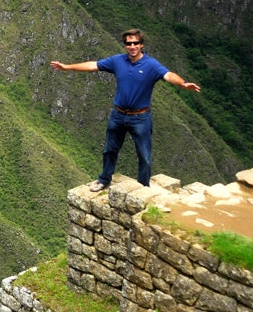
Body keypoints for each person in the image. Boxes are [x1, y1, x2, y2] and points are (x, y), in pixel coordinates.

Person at [50, 28, 201, 191]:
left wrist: (182, 83)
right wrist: (67, 67)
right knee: (109, 150)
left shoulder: (151, 65)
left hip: (140, 118)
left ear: (141, 45)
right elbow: (93, 65)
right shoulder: (117, 61)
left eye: (136, 43)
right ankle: (104, 179)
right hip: (118, 115)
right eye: (129, 43)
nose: (132, 46)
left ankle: (143, 188)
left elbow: (168, 75)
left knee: (144, 155)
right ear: (125, 46)